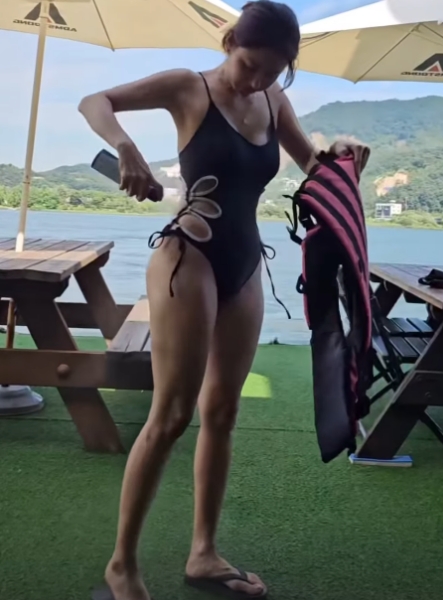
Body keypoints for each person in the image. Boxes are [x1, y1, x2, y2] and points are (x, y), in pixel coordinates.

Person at [78, 2, 329, 599]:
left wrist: (341, 156)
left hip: (244, 264)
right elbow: (94, 101)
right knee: (171, 416)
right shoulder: (187, 87)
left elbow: (313, 167)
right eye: (249, 65)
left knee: (222, 412)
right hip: (187, 259)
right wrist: (126, 148)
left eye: (272, 72)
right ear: (229, 43)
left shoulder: (274, 101)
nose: (256, 81)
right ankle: (121, 566)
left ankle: (204, 554)